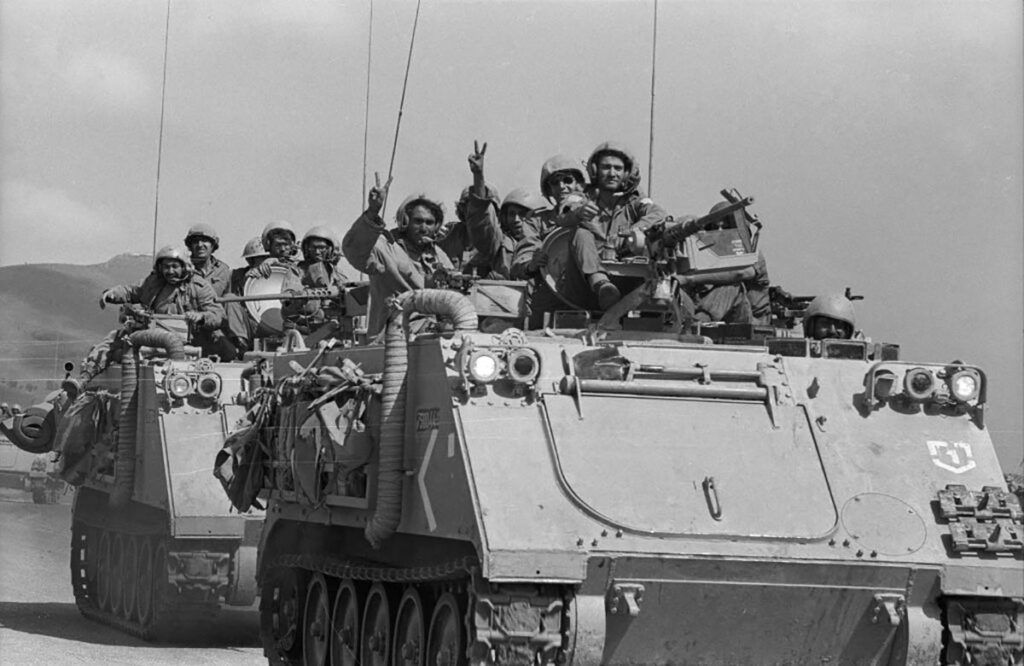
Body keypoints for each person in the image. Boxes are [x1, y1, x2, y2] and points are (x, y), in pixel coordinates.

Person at [62, 245, 225, 398]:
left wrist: (201, 317)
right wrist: (112, 294)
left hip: (185, 342)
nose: (170, 271)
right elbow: (134, 292)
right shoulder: (154, 283)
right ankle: (84, 379)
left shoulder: (198, 286)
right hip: (151, 335)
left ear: (184, 267)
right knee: (114, 339)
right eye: (166, 267)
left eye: (175, 266)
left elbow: (217, 314)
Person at [556, 142, 668, 311]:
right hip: (582, 289)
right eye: (606, 167)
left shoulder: (634, 202)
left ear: (626, 173)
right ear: (595, 170)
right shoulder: (582, 196)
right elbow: (563, 212)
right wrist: (579, 213)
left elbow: (658, 214)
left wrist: (632, 232)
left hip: (625, 290)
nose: (612, 173)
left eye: (618, 168)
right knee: (581, 233)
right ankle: (600, 283)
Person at [342, 178, 454, 338]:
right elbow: (354, 250)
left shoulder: (439, 256)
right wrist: (373, 212)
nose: (424, 228)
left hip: (434, 333)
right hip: (391, 336)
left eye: (429, 223)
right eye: (418, 221)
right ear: (405, 221)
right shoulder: (385, 247)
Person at [459, 140, 545, 279]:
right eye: (512, 214)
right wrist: (478, 176)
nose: (516, 220)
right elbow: (482, 224)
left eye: (523, 214)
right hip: (505, 298)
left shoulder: (550, 241)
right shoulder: (499, 242)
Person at [224, 222, 303, 355]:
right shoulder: (254, 272)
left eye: (286, 245)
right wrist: (249, 280)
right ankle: (241, 344)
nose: (283, 249)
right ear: (268, 245)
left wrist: (274, 261)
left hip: (294, 323)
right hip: (258, 324)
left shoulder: (301, 267)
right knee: (229, 298)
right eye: (278, 245)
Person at [185, 223, 232, 297]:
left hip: (216, 307)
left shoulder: (223, 270)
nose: (200, 245)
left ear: (213, 245)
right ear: (190, 246)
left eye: (204, 240)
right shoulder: (183, 269)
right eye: (195, 241)